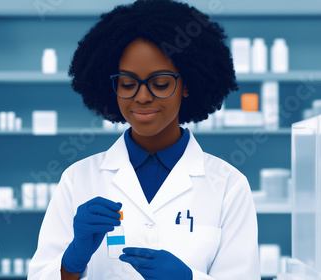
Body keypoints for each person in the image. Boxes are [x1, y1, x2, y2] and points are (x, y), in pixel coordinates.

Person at [28, 0, 260, 279]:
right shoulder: (78, 179)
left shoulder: (228, 186)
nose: (141, 96)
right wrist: (72, 260)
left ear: (187, 85)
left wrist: (189, 278)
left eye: (160, 83)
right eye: (127, 83)